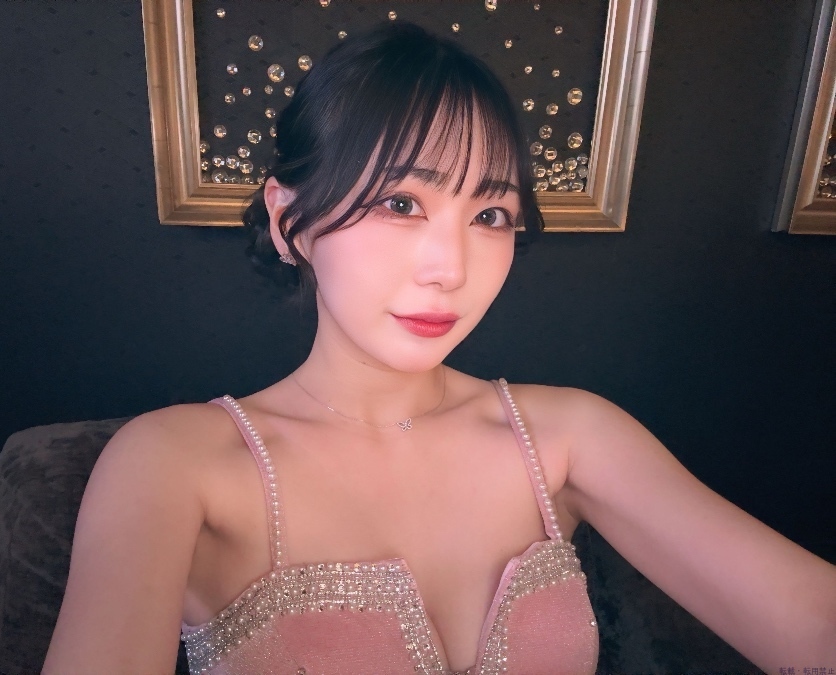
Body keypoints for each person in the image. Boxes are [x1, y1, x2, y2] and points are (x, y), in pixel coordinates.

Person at [43, 21, 835, 675]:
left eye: (490, 215)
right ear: (289, 222)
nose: (449, 268)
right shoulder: (172, 465)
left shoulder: (567, 439)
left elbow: (809, 614)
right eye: (400, 202)